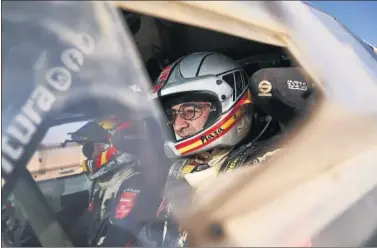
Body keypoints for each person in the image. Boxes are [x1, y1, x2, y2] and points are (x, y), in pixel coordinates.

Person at [147, 52, 315, 247]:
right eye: (174, 114)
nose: (178, 126)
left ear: (225, 102)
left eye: (190, 111)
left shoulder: (265, 166)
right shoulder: (179, 170)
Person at [65, 116, 168, 247]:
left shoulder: (135, 184)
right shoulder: (105, 183)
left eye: (91, 149)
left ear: (114, 147)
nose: (90, 156)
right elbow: (86, 223)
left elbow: (118, 238)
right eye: (87, 151)